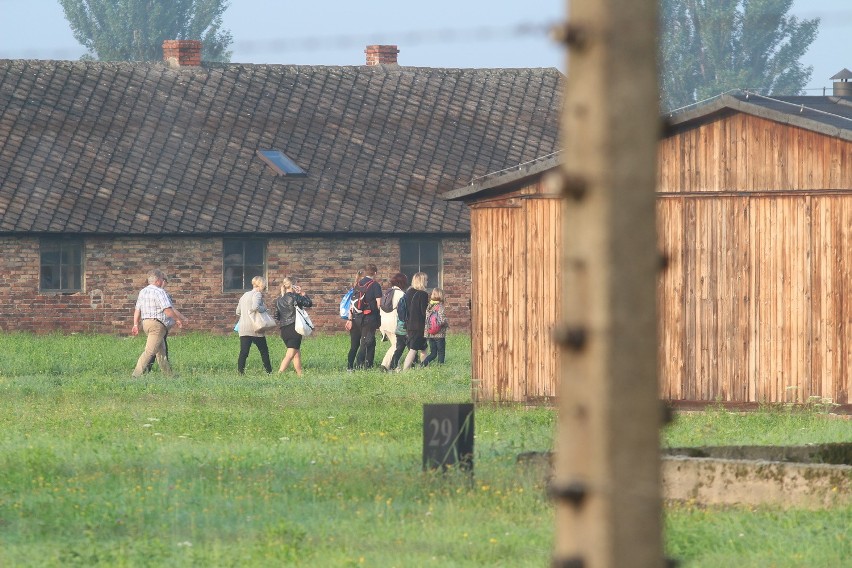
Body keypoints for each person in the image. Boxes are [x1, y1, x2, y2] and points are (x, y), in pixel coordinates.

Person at [131, 269, 185, 377]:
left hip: (146, 323)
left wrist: (135, 324)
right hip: (157, 325)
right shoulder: (159, 292)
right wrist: (177, 319)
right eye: (161, 279)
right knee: (150, 351)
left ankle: (169, 375)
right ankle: (136, 375)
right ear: (158, 280)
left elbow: (137, 310)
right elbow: (167, 309)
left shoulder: (143, 291)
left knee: (161, 352)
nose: (162, 281)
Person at [145, 276, 186, 373]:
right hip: (159, 324)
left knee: (160, 350)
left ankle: (167, 374)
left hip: (156, 324)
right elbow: (170, 309)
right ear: (161, 281)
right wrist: (179, 319)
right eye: (165, 282)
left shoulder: (150, 293)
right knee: (153, 350)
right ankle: (141, 372)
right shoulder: (160, 293)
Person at [344, 264, 382, 370]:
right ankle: (360, 366)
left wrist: (350, 319)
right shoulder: (375, 285)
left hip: (355, 318)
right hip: (369, 318)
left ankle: (350, 367)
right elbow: (379, 304)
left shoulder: (358, 284)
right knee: (365, 343)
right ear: (375, 273)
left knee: (354, 345)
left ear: (365, 272)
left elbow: (352, 303)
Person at [274, 277, 313, 377]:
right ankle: (279, 375)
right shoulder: (295, 297)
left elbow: (276, 316)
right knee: (290, 355)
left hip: (284, 329)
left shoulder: (279, 300)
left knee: (296, 354)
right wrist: (303, 294)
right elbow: (309, 303)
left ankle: (300, 375)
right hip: (294, 328)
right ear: (294, 285)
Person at [235, 275, 273, 374]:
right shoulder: (257, 294)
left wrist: (246, 314)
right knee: (264, 351)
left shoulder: (244, 295)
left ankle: (240, 372)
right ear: (261, 285)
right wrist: (264, 308)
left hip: (243, 328)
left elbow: (238, 311)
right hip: (255, 328)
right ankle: (269, 372)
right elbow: (255, 307)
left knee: (244, 352)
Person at [380, 272, 408, 371]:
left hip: (383, 323)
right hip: (394, 323)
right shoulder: (402, 294)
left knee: (395, 345)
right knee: (397, 346)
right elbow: (403, 310)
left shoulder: (387, 292)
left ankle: (393, 366)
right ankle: (387, 365)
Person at [402, 272, 430, 370]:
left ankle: (424, 368)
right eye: (426, 280)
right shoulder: (423, 294)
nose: (427, 282)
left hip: (409, 324)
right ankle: (405, 370)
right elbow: (424, 312)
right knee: (413, 349)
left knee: (423, 348)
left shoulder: (408, 292)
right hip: (419, 326)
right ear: (422, 281)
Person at [422, 287, 449, 366]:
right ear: (441, 296)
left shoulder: (429, 306)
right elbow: (442, 320)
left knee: (433, 354)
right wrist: (446, 323)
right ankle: (440, 367)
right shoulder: (440, 307)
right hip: (439, 334)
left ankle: (422, 364)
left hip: (430, 334)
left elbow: (427, 320)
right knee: (441, 352)